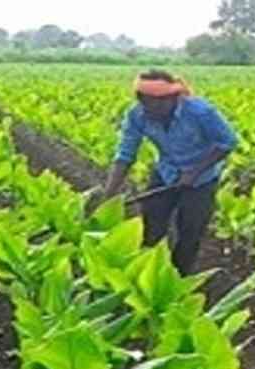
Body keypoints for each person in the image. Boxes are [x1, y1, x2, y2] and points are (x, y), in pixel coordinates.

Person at [100, 69, 238, 275]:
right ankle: (147, 272)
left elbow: (227, 142)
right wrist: (109, 194)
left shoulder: (200, 112)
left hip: (202, 178)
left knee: (190, 230)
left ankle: (178, 276)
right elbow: (125, 154)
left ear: (173, 98)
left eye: (156, 103)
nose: (149, 109)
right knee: (151, 226)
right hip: (166, 172)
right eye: (144, 102)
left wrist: (195, 172)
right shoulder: (137, 115)